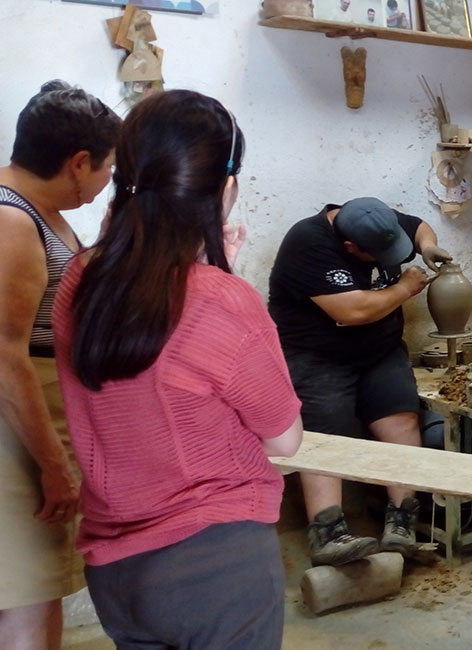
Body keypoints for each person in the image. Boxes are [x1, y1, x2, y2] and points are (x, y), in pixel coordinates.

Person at [53, 89, 303, 648]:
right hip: (216, 561)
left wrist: (208, 272)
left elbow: (150, 334)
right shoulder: (222, 300)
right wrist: (222, 284)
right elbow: (285, 439)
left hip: (115, 570)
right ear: (227, 188)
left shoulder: (77, 282)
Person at [0, 80, 120, 650]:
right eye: (107, 168)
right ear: (78, 163)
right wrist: (53, 465)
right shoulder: (12, 222)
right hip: (15, 427)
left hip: (41, 409)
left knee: (33, 591)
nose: (105, 181)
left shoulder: (42, 212)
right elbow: (5, 357)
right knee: (28, 596)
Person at [268, 196, 452, 566]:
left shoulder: (373, 216)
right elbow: (351, 311)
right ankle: (328, 533)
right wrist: (404, 288)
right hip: (317, 355)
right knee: (327, 436)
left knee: (401, 419)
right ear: (350, 247)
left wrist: (428, 246)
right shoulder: (307, 242)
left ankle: (402, 524)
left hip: (378, 350)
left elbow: (417, 226)